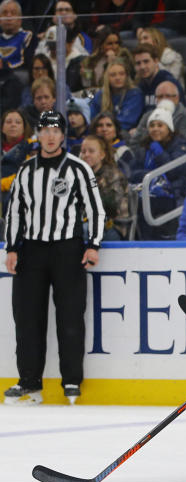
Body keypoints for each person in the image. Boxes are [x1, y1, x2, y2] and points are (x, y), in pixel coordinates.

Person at [3, 111, 106, 405]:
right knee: (27, 319)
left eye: (55, 130)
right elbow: (14, 212)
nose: (50, 135)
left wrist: (94, 244)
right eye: (45, 130)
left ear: (63, 135)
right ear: (38, 134)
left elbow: (96, 208)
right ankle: (29, 381)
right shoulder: (25, 171)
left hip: (68, 250)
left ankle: (71, 380)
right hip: (31, 250)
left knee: (70, 318)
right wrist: (11, 248)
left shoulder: (78, 169)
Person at [129, 101, 186, 240]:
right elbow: (131, 173)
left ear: (169, 128)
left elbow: (174, 171)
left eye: (160, 125)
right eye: (152, 125)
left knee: (146, 205)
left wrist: (158, 152)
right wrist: (149, 176)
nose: (155, 129)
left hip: (173, 194)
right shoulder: (144, 147)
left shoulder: (180, 145)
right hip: (147, 193)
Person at [79, 133, 130, 241]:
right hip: (88, 222)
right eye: (83, 152)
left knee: (80, 231)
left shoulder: (114, 176)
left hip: (112, 226)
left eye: (91, 151)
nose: (86, 155)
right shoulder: (80, 176)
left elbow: (111, 206)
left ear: (102, 155)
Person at [130, 80, 186, 146]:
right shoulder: (148, 115)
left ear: (177, 98)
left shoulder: (185, 115)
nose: (164, 99)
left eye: (168, 96)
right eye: (160, 96)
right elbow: (134, 142)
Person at [90, 61, 145, 134]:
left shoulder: (135, 94)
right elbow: (93, 119)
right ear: (107, 77)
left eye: (121, 74)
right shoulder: (100, 95)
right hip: (102, 132)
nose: (118, 78)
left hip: (123, 133)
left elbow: (126, 122)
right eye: (113, 75)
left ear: (126, 76)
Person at [34, 1, 91, 67]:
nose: (64, 13)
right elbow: (37, 59)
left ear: (74, 16)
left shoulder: (83, 38)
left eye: (67, 10)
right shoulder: (46, 36)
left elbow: (85, 62)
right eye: (60, 10)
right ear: (54, 16)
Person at [78, 27, 133, 94]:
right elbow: (87, 85)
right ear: (101, 44)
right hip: (93, 95)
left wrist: (111, 63)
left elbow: (122, 83)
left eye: (116, 43)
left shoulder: (124, 58)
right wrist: (84, 76)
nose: (114, 47)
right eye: (110, 44)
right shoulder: (91, 60)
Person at [133, 43, 184, 111]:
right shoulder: (139, 86)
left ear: (156, 61)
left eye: (146, 61)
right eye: (138, 63)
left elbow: (179, 114)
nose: (142, 67)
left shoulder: (170, 83)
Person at [91, 112, 133, 177]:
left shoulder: (124, 152)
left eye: (109, 125)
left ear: (116, 130)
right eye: (100, 125)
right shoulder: (86, 149)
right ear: (95, 130)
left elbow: (125, 177)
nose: (104, 129)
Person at [0, 0, 33, 74]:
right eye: (5, 13)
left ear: (20, 20)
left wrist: (4, 65)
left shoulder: (27, 36)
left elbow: (27, 63)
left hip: (17, 78)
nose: (8, 16)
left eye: (13, 13)